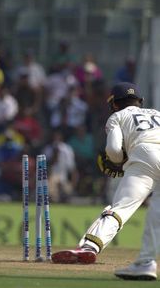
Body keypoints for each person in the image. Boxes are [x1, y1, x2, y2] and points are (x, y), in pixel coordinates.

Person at [51, 82, 159, 281]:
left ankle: (90, 246)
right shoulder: (157, 113)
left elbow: (114, 152)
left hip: (144, 158)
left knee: (121, 208)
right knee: (157, 213)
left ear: (114, 104)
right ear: (140, 102)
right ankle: (145, 262)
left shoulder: (117, 117)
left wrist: (119, 161)